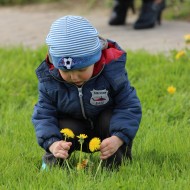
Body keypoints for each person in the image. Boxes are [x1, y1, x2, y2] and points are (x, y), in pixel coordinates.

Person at [32, 15, 142, 169]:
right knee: (61, 128)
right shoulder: (50, 79)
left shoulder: (111, 72)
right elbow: (44, 113)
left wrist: (118, 138)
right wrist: (52, 143)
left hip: (106, 130)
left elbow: (129, 106)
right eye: (65, 71)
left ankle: (116, 164)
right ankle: (52, 163)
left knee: (111, 119)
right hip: (74, 130)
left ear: (95, 59)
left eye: (82, 70)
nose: (74, 77)